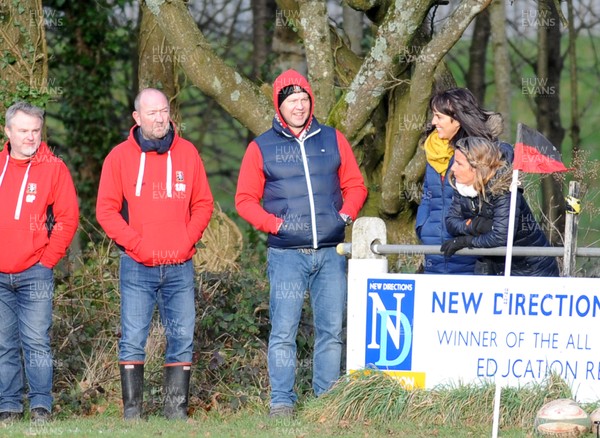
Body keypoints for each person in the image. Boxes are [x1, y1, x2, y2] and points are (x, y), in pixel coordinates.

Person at [235, 69, 367, 417]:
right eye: (292, 100)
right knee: (283, 331)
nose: (299, 106)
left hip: (331, 253)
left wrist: (345, 216)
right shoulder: (261, 146)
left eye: (304, 99)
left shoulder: (333, 139)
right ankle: (282, 401)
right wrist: (274, 225)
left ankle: (326, 399)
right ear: (279, 105)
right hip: (286, 255)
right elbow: (245, 200)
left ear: (311, 101)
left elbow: (356, 185)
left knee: (331, 330)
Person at [96, 88, 214, 420]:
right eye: (152, 113)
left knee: (182, 337)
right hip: (137, 265)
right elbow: (106, 212)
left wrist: (186, 241)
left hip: (179, 265)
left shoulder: (188, 153)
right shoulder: (118, 157)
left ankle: (175, 412)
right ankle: (133, 414)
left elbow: (203, 204)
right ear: (137, 118)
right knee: (133, 338)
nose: (160, 118)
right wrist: (138, 245)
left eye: (164, 111)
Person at [0, 102, 79, 424]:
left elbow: (67, 218)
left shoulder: (53, 168)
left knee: (36, 341)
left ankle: (41, 406)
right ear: (8, 132)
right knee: (4, 343)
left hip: (35, 271)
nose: (30, 137)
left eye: (35, 130)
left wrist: (47, 261)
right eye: (23, 131)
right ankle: (8, 407)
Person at [415, 87, 512, 274]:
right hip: (432, 248)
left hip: (468, 249)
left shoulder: (481, 153)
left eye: (439, 116)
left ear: (457, 119)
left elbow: (493, 203)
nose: (434, 122)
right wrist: (422, 226)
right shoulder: (433, 150)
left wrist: (469, 230)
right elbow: (427, 195)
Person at [441, 136, 559, 276]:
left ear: (476, 168)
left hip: (530, 269)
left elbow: (500, 237)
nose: (453, 168)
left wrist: (466, 241)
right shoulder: (462, 186)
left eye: (459, 164)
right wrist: (476, 225)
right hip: (493, 265)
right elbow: (450, 222)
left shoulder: (505, 189)